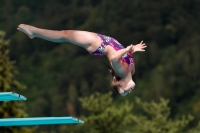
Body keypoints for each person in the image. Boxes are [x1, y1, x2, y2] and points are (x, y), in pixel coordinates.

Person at [17, 24, 147, 96]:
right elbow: (122, 56)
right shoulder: (131, 70)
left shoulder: (121, 73)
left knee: (64, 35)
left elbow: (113, 58)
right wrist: (132, 49)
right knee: (65, 35)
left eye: (124, 92)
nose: (128, 91)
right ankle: (34, 32)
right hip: (104, 40)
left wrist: (127, 49)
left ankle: (33, 31)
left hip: (99, 45)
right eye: (125, 92)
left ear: (120, 83)